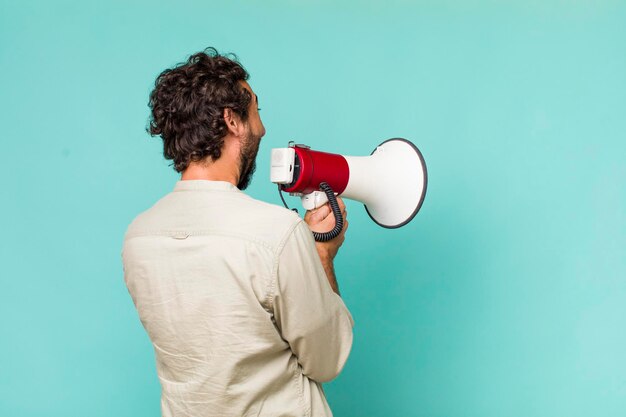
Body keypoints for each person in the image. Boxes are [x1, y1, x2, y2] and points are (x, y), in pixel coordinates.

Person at [122, 48, 354, 417]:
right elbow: (327, 359)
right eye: (256, 111)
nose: (261, 127)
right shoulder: (276, 233)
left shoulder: (138, 236)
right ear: (232, 120)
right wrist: (321, 255)